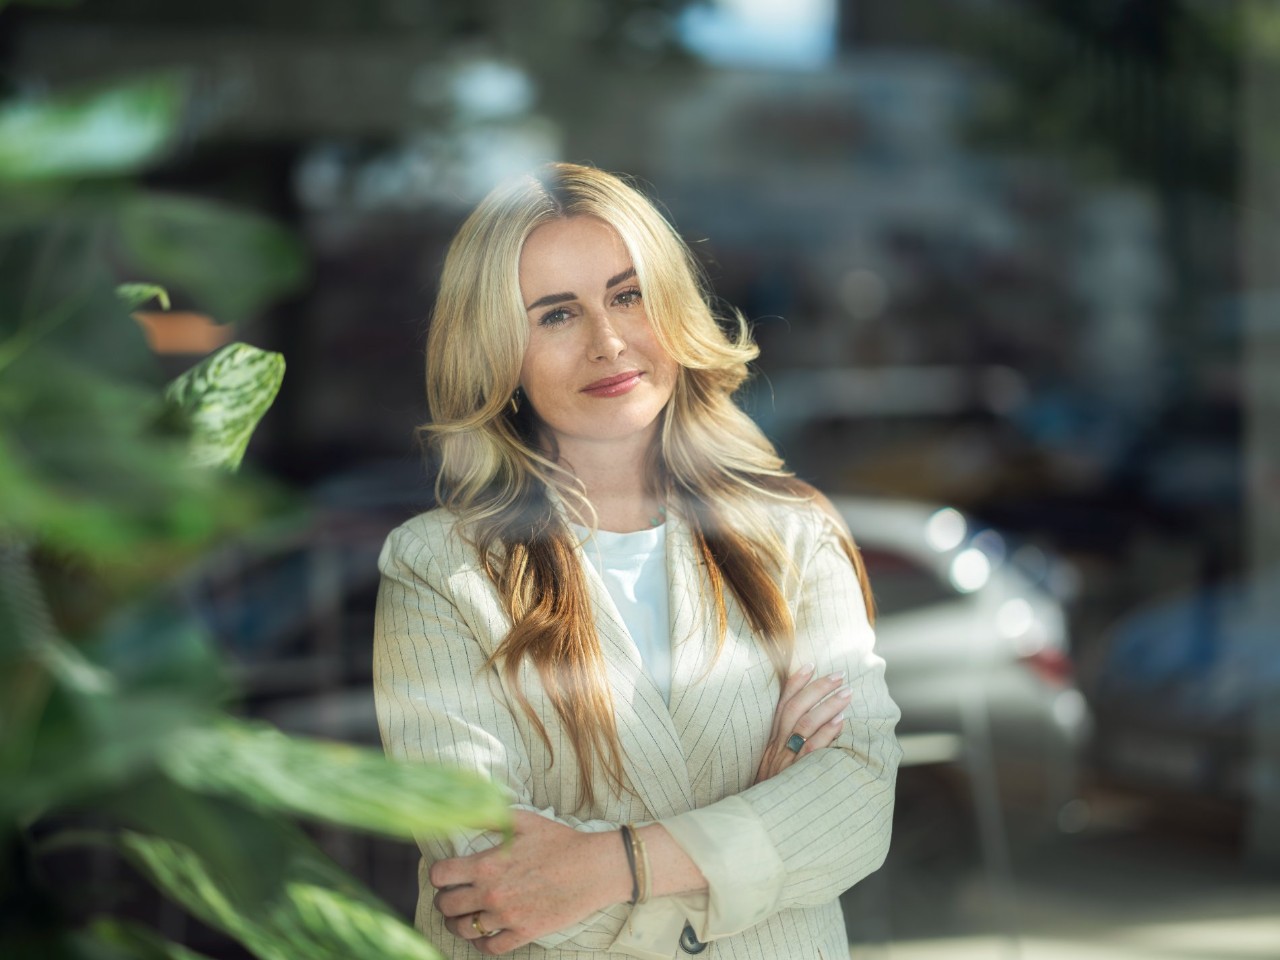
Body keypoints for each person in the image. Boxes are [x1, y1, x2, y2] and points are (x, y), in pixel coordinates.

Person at [373, 162, 902, 959]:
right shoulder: (436, 570)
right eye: (557, 314)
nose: (609, 341)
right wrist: (754, 827)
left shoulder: (792, 535)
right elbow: (488, 881)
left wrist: (612, 866)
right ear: (498, 353)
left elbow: (856, 802)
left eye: (628, 296)